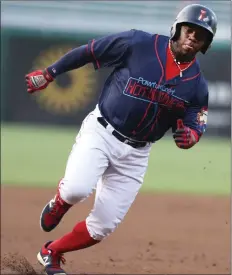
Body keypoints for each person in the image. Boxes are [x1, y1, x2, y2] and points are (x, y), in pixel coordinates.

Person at [25, 4, 217, 275]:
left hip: (137, 154)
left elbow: (197, 116)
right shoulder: (138, 43)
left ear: (206, 44)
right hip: (102, 132)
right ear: (177, 28)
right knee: (76, 190)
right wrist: (49, 73)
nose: (193, 37)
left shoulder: (197, 84)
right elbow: (90, 51)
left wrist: (193, 134)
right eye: (190, 30)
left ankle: (51, 252)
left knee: (103, 226)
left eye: (201, 35)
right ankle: (60, 201)